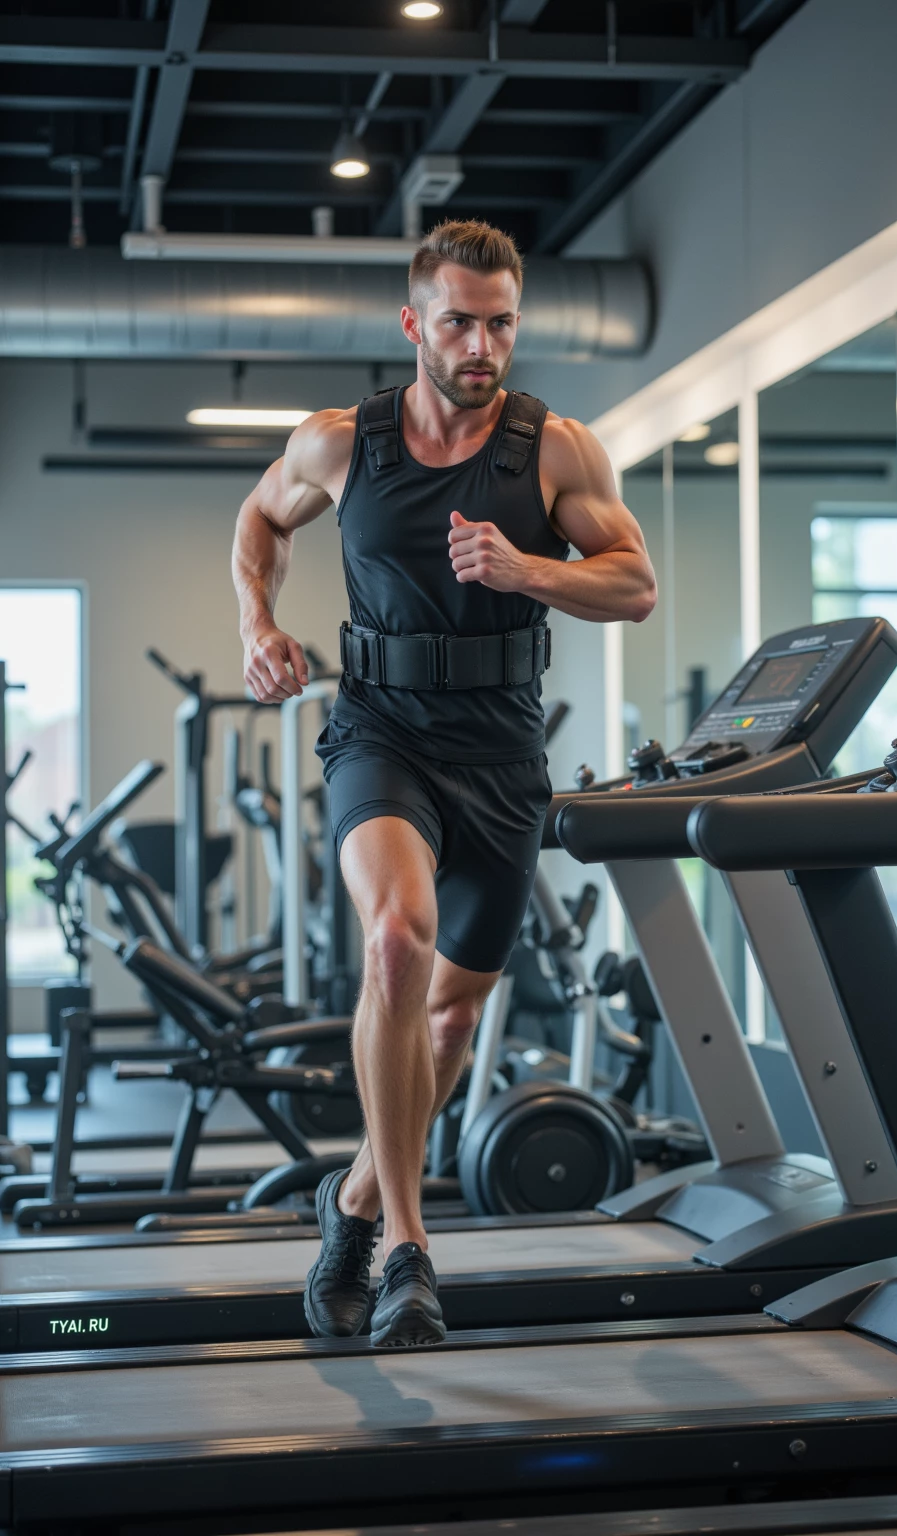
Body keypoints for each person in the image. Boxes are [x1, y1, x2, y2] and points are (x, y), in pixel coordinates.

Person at [232, 218, 656, 1348]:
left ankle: (355, 1200)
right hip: (379, 731)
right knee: (396, 941)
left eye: (501, 322)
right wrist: (256, 621)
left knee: (456, 1011)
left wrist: (526, 569)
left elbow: (634, 585)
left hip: (501, 753)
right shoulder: (339, 442)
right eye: (460, 321)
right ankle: (412, 1245)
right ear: (415, 324)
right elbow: (260, 519)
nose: (483, 343)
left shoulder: (554, 449)